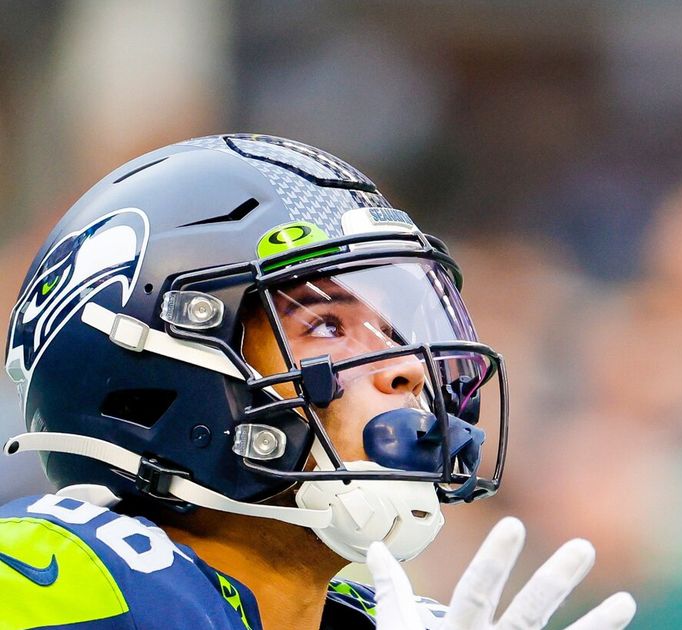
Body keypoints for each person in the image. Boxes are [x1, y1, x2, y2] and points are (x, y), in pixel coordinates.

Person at [0, 134, 635, 630]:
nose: (406, 367)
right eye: (327, 325)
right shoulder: (63, 579)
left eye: (394, 331)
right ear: (154, 370)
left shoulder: (387, 617)